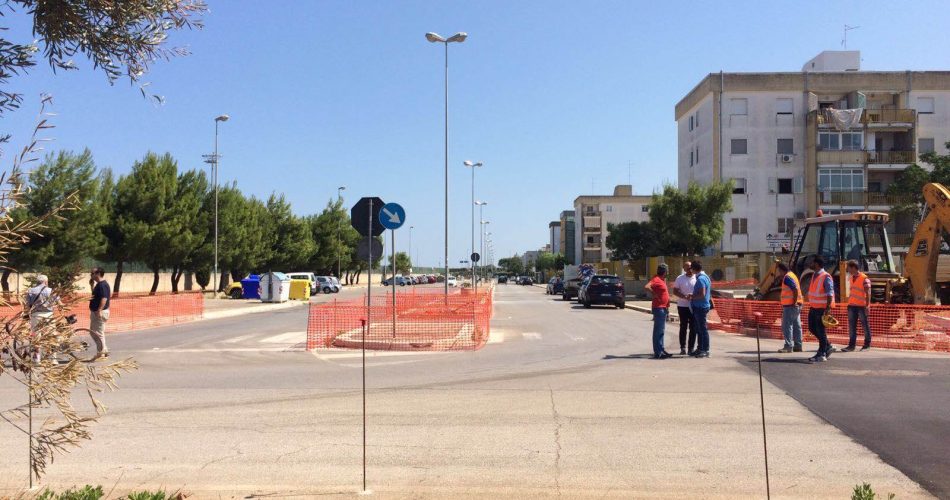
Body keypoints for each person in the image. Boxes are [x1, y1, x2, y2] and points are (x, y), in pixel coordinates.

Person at [806, 255, 835, 362]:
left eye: (812, 262)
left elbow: (830, 293)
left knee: (821, 331)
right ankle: (827, 345)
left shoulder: (825, 276)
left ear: (817, 264)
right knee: (812, 328)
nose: (810, 264)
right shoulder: (815, 275)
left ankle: (822, 353)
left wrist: (827, 308)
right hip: (813, 307)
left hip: (821, 309)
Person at [25, 274, 56, 362]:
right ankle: (52, 359)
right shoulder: (51, 290)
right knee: (51, 336)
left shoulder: (31, 291)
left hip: (36, 315)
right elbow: (58, 302)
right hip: (48, 315)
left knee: (36, 337)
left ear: (37, 282)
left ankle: (36, 359)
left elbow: (28, 305)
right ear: (46, 281)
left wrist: (27, 314)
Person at [843, 260, 872, 352]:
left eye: (849, 268)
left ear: (853, 267)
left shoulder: (864, 278)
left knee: (865, 326)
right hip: (852, 305)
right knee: (852, 327)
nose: (848, 270)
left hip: (861, 306)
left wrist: (867, 305)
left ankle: (866, 345)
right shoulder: (851, 278)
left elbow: (868, 293)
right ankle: (851, 346)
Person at [775, 262, 804, 353]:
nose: (779, 273)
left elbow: (794, 289)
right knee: (796, 325)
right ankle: (798, 345)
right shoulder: (793, 275)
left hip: (791, 305)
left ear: (781, 270)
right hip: (798, 304)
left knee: (787, 326)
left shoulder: (787, 277)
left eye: (779, 271)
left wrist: (793, 302)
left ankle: (788, 346)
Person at [645, 264, 672, 359]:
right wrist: (654, 294)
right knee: (658, 331)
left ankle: (661, 349)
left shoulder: (661, 280)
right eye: (666, 271)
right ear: (665, 272)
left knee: (661, 331)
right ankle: (658, 352)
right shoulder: (656, 279)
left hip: (663, 308)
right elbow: (647, 286)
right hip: (659, 308)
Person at [687, 261, 712, 358]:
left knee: (702, 329)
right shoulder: (704, 277)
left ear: (693, 269)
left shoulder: (701, 279)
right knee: (699, 329)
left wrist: (692, 297)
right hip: (700, 306)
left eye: (691, 269)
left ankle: (705, 349)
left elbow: (702, 294)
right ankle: (700, 348)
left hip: (700, 307)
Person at [672, 261, 697, 355]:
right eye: (687, 268)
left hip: (694, 306)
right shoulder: (680, 278)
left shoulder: (697, 278)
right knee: (683, 326)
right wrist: (684, 297)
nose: (689, 270)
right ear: (684, 269)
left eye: (690, 267)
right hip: (682, 306)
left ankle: (691, 348)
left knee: (693, 327)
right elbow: (675, 291)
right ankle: (683, 347)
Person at [89, 267, 111, 359]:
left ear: (98, 274)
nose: (91, 275)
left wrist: (99, 310)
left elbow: (104, 298)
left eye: (92, 273)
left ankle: (101, 353)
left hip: (99, 312)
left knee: (97, 333)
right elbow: (95, 296)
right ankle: (103, 350)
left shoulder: (102, 285)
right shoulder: (99, 285)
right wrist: (92, 286)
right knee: (95, 332)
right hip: (96, 311)